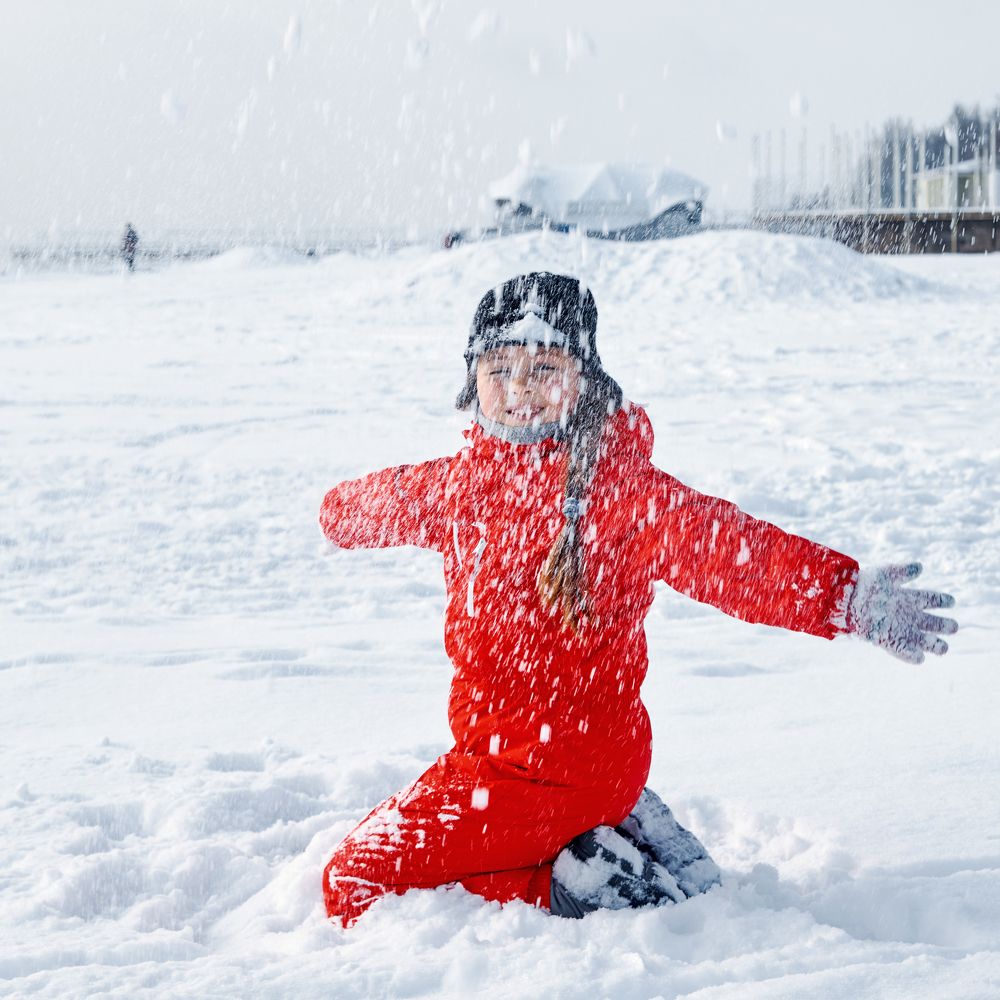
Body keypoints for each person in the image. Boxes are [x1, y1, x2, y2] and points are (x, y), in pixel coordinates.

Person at [319, 272, 958, 926]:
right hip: (577, 759)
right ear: (472, 375)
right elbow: (357, 510)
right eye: (499, 366)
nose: (517, 390)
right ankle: (619, 821)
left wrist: (841, 595)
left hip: (533, 777)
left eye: (544, 367)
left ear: (583, 376)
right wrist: (338, 511)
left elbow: (728, 552)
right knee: (448, 834)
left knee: (352, 880)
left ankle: (576, 881)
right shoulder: (459, 485)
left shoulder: (619, 495)